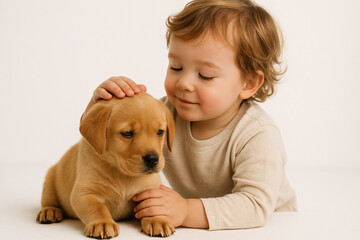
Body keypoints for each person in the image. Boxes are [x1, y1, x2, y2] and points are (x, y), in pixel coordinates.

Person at [82, 0, 297, 231]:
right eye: (176, 67)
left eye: (205, 75)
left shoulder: (258, 134)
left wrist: (186, 210)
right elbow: (108, 135)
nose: (184, 83)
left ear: (249, 82)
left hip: (274, 228)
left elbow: (254, 206)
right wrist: (98, 107)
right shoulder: (162, 115)